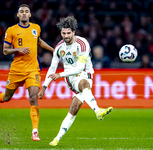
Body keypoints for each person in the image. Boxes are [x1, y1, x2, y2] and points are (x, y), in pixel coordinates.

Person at [38, 16, 113, 146]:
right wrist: (44, 87)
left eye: (68, 33)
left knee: (74, 109)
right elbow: (51, 69)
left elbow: (79, 68)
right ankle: (98, 111)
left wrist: (60, 75)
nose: (66, 36)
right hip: (71, 78)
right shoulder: (59, 48)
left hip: (85, 73)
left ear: (74, 32)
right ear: (61, 32)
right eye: (63, 33)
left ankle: (56, 139)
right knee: (80, 91)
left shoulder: (82, 44)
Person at [0, 4, 54, 141]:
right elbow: (5, 50)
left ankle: (35, 131)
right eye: (21, 12)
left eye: (26, 11)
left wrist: (54, 50)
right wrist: (18, 49)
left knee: (33, 97)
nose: (24, 13)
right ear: (18, 15)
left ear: (30, 15)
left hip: (32, 69)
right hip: (17, 69)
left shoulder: (36, 28)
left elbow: (39, 42)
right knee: (7, 97)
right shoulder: (11, 30)